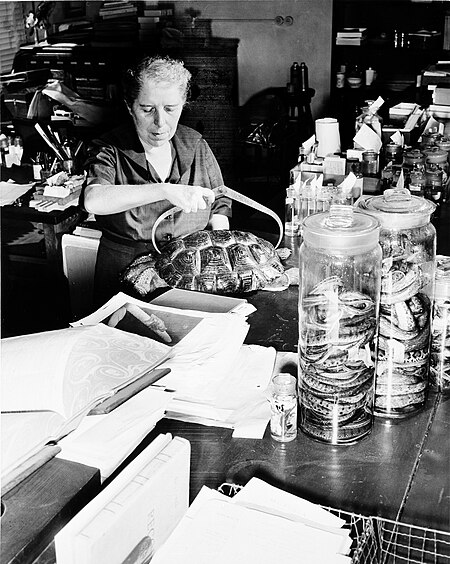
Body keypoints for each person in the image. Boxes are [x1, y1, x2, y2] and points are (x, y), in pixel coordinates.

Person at [82, 55, 232, 306]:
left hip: (190, 275)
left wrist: (221, 256)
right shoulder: (109, 149)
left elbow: (219, 202)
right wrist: (164, 190)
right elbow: (94, 200)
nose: (160, 122)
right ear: (130, 107)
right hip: (124, 278)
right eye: (147, 109)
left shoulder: (195, 145)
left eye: (170, 109)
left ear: (183, 104)